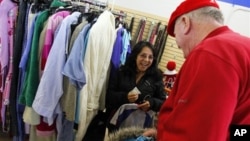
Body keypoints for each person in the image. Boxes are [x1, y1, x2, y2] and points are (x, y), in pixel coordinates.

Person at [143, 0, 250, 141]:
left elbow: (197, 135)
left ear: (185, 23)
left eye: (179, 46)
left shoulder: (212, 53)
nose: (185, 56)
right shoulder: (242, 46)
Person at [105, 41, 167, 133]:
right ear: (135, 56)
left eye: (150, 57)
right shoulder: (122, 72)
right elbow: (109, 97)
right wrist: (125, 97)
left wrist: (152, 103)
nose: (146, 60)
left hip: (140, 129)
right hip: (117, 127)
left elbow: (163, 102)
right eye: (143, 55)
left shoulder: (156, 77)